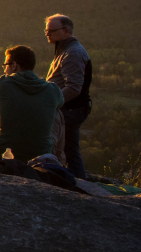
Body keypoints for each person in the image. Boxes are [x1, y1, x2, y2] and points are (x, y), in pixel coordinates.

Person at [0, 46, 63, 162]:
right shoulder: (53, 89)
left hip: (2, 156)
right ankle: (58, 161)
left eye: (5, 66)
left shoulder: (0, 84)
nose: (4, 70)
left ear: (14, 66)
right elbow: (61, 103)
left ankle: (3, 146)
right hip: (41, 157)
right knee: (57, 113)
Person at [44, 14, 92, 179]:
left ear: (66, 31)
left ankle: (58, 180)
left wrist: (51, 103)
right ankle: (78, 182)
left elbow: (73, 88)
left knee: (51, 145)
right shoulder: (65, 50)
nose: (47, 33)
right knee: (71, 151)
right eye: (46, 30)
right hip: (71, 108)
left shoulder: (72, 53)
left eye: (51, 30)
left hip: (69, 109)